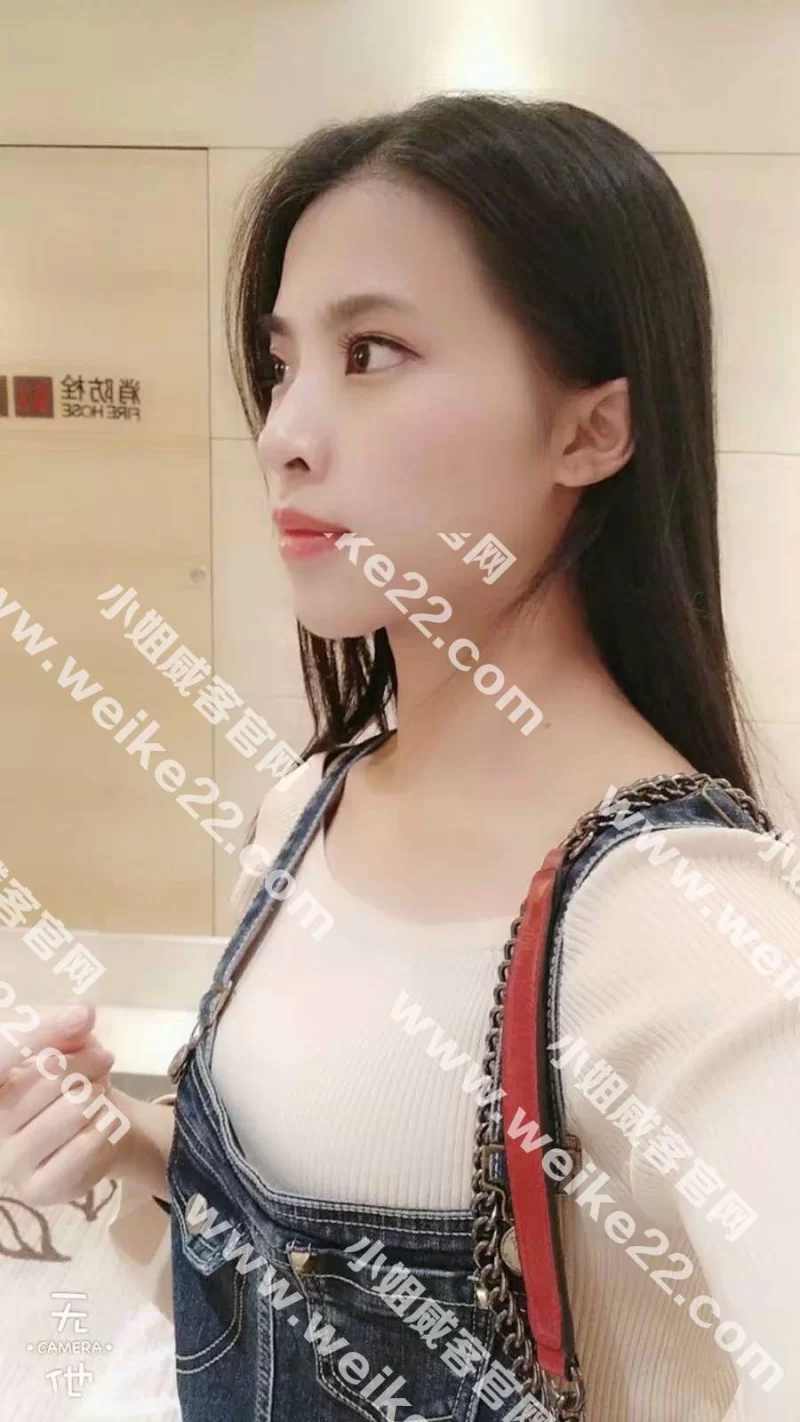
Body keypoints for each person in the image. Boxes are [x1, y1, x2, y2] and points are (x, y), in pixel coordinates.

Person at [1, 91, 798, 1422]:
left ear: (591, 430)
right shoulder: (305, 806)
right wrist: (123, 1147)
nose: (283, 433)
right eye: (282, 363)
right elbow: (271, 1314)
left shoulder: (690, 935)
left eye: (372, 352)